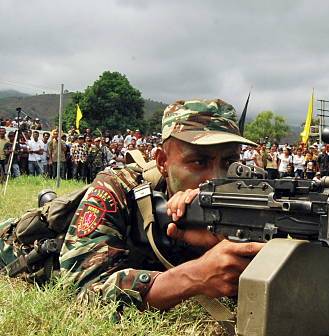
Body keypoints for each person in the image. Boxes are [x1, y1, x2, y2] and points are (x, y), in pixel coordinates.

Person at [58, 98, 264, 311]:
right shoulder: (119, 188)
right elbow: (81, 290)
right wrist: (194, 277)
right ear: (162, 162)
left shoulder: (242, 202)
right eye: (199, 162)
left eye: (229, 163)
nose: (216, 178)